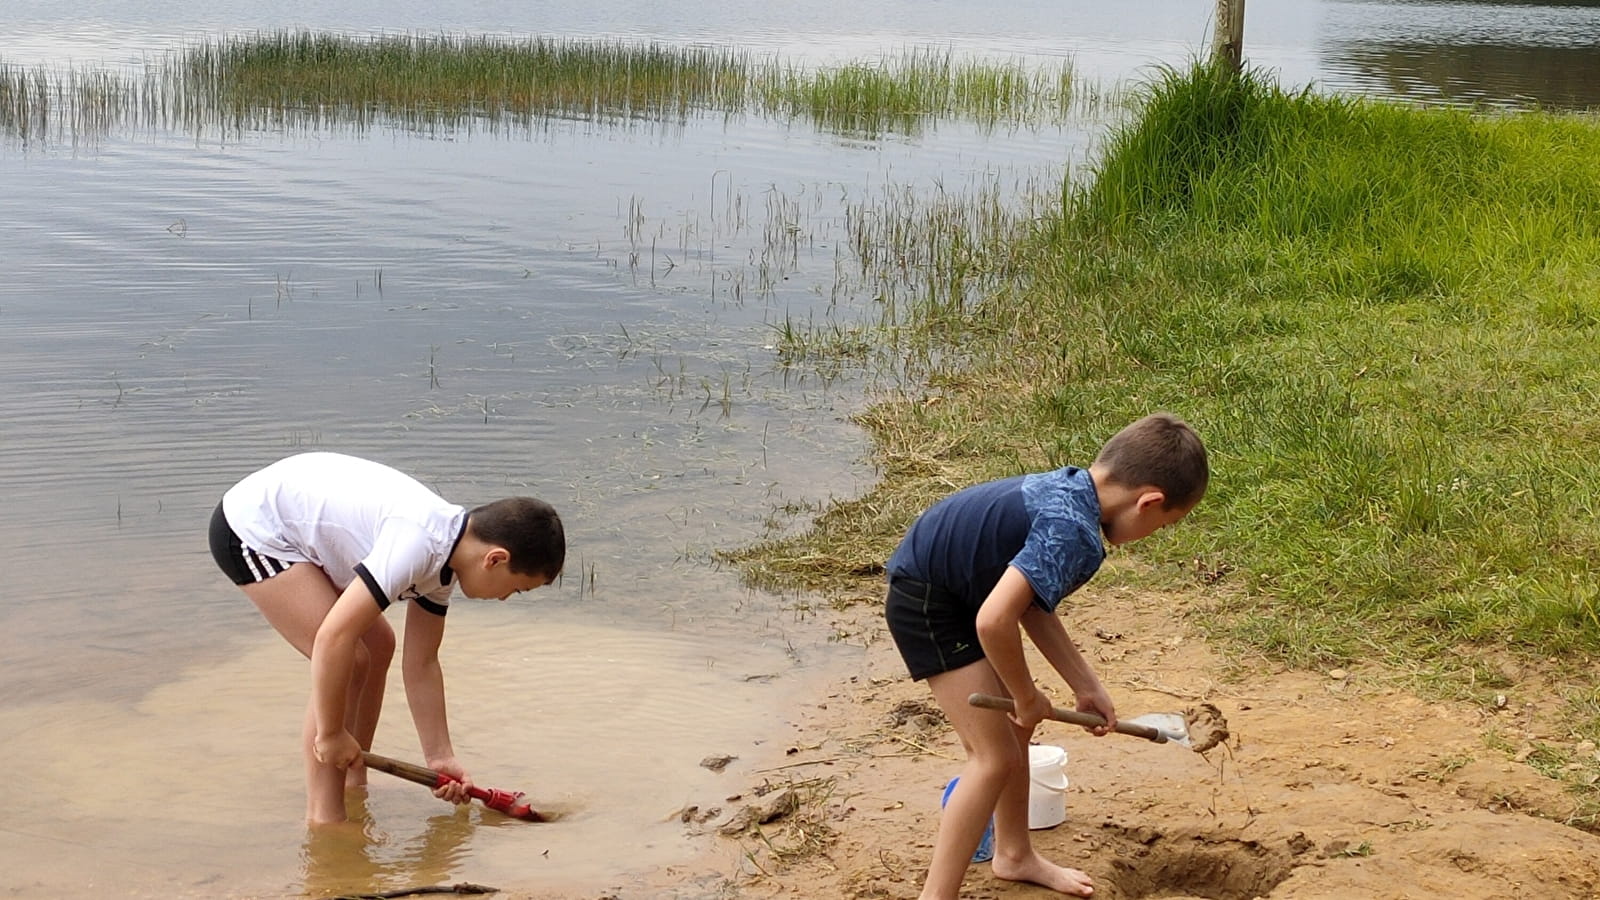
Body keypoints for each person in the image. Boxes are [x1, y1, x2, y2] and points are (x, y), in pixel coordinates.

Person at [884, 413, 1207, 899]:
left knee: (1018, 727)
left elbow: (1030, 605)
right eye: (1165, 525)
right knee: (991, 759)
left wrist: (1086, 685)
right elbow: (994, 621)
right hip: (930, 601)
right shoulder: (1072, 530)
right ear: (1150, 501)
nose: (1157, 533)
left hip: (958, 588)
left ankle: (1014, 855)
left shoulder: (1073, 490)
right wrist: (1024, 693)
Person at [207, 451, 565, 825]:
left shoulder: (447, 558)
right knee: (353, 656)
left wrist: (440, 757)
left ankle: (353, 781)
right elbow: (332, 638)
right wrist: (330, 733)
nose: (507, 598)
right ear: (494, 559)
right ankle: (325, 818)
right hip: (254, 527)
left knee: (380, 646)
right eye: (518, 589)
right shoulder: (418, 544)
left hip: (302, 528)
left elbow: (421, 663)